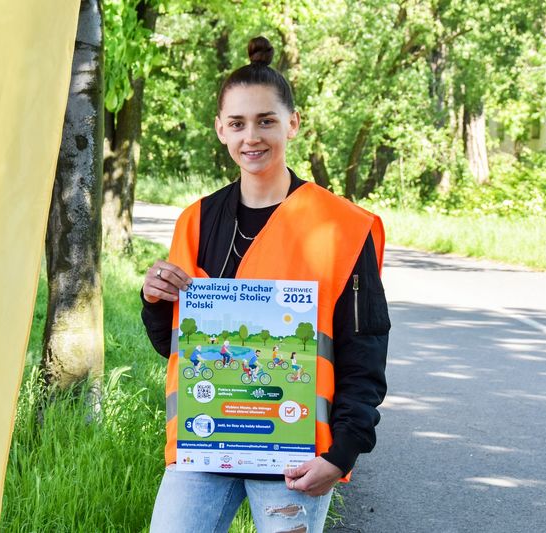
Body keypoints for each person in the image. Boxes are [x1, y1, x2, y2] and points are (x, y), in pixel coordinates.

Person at [141, 36, 390, 533]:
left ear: (292, 124)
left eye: (266, 121)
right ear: (220, 129)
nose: (251, 136)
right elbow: (175, 346)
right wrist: (154, 299)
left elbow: (364, 351)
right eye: (237, 123)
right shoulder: (196, 220)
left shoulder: (342, 226)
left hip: (296, 452)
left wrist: (342, 453)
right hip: (204, 441)